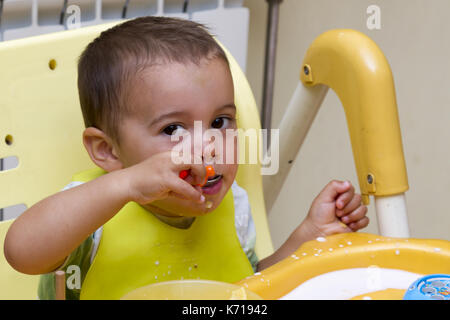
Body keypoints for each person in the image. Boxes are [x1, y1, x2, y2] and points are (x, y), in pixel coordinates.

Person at [4, 16, 369, 300]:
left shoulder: (234, 205)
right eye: (173, 130)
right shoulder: (91, 212)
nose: (207, 147)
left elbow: (248, 286)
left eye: (219, 122)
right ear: (108, 151)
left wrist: (306, 237)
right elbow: (22, 252)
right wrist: (125, 186)